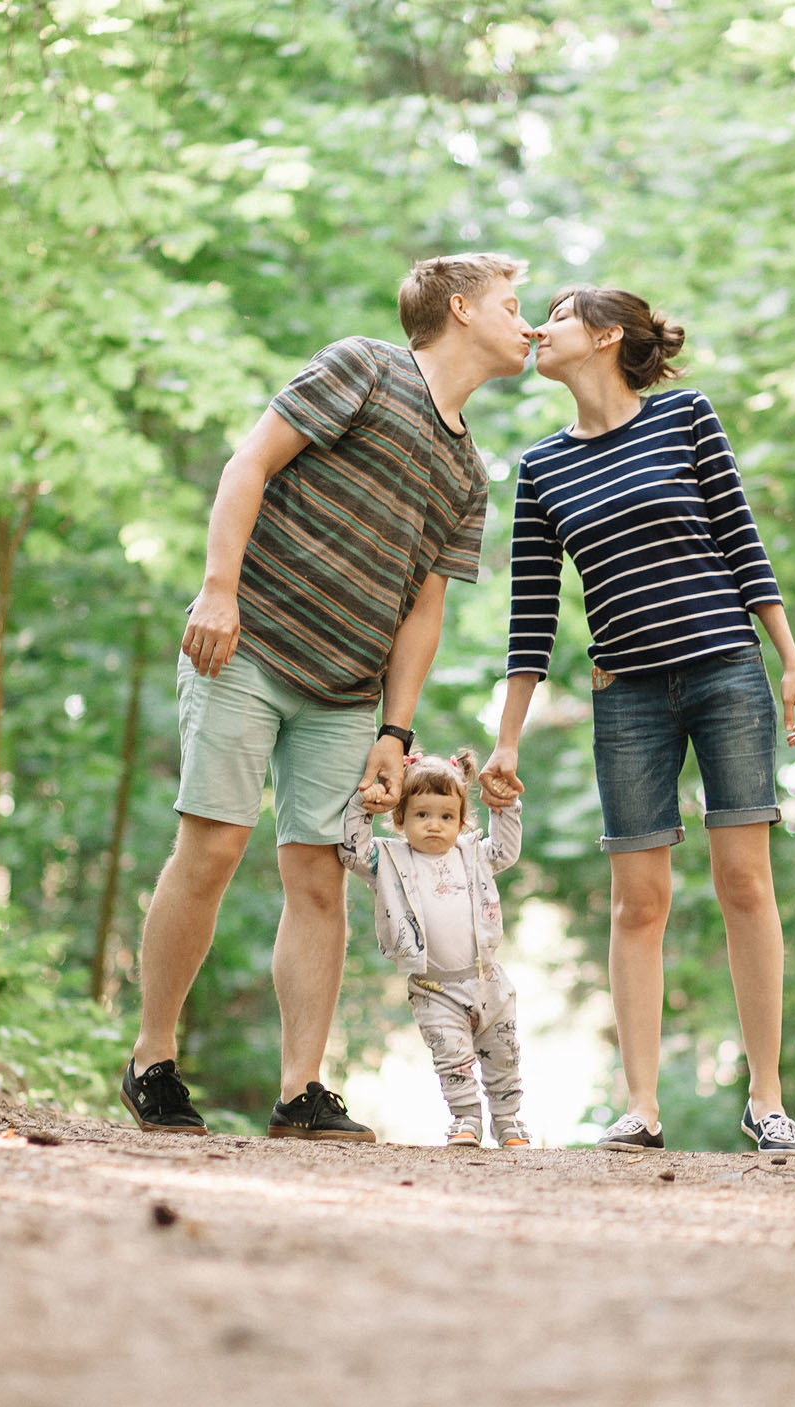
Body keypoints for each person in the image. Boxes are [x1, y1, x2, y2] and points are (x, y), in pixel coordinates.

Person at [121, 253, 537, 1141]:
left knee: (319, 879)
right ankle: (153, 1059)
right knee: (214, 847)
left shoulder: (469, 474)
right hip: (250, 644)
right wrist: (219, 588)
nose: (527, 322)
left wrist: (395, 728)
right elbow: (250, 464)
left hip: (348, 691)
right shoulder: (363, 365)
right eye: (512, 304)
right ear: (460, 309)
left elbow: (424, 609)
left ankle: (300, 1091)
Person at [481, 286, 795, 1155]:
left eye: (552, 318)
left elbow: (742, 540)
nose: (534, 330)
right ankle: (641, 1107)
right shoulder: (543, 468)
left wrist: (791, 661)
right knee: (639, 901)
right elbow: (531, 615)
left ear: (602, 336)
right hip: (626, 694)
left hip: (727, 674)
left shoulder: (686, 417)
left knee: (746, 882)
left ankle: (768, 1100)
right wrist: (508, 735)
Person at [339, 749, 530, 1149]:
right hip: (434, 988)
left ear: (461, 821)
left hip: (488, 981)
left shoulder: (473, 854)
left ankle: (509, 1121)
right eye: (421, 815)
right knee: (452, 1058)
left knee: (504, 1055)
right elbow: (350, 850)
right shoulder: (389, 860)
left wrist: (506, 806)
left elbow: (506, 851)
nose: (433, 826)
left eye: (446, 817)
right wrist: (363, 804)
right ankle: (466, 1120)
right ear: (400, 819)